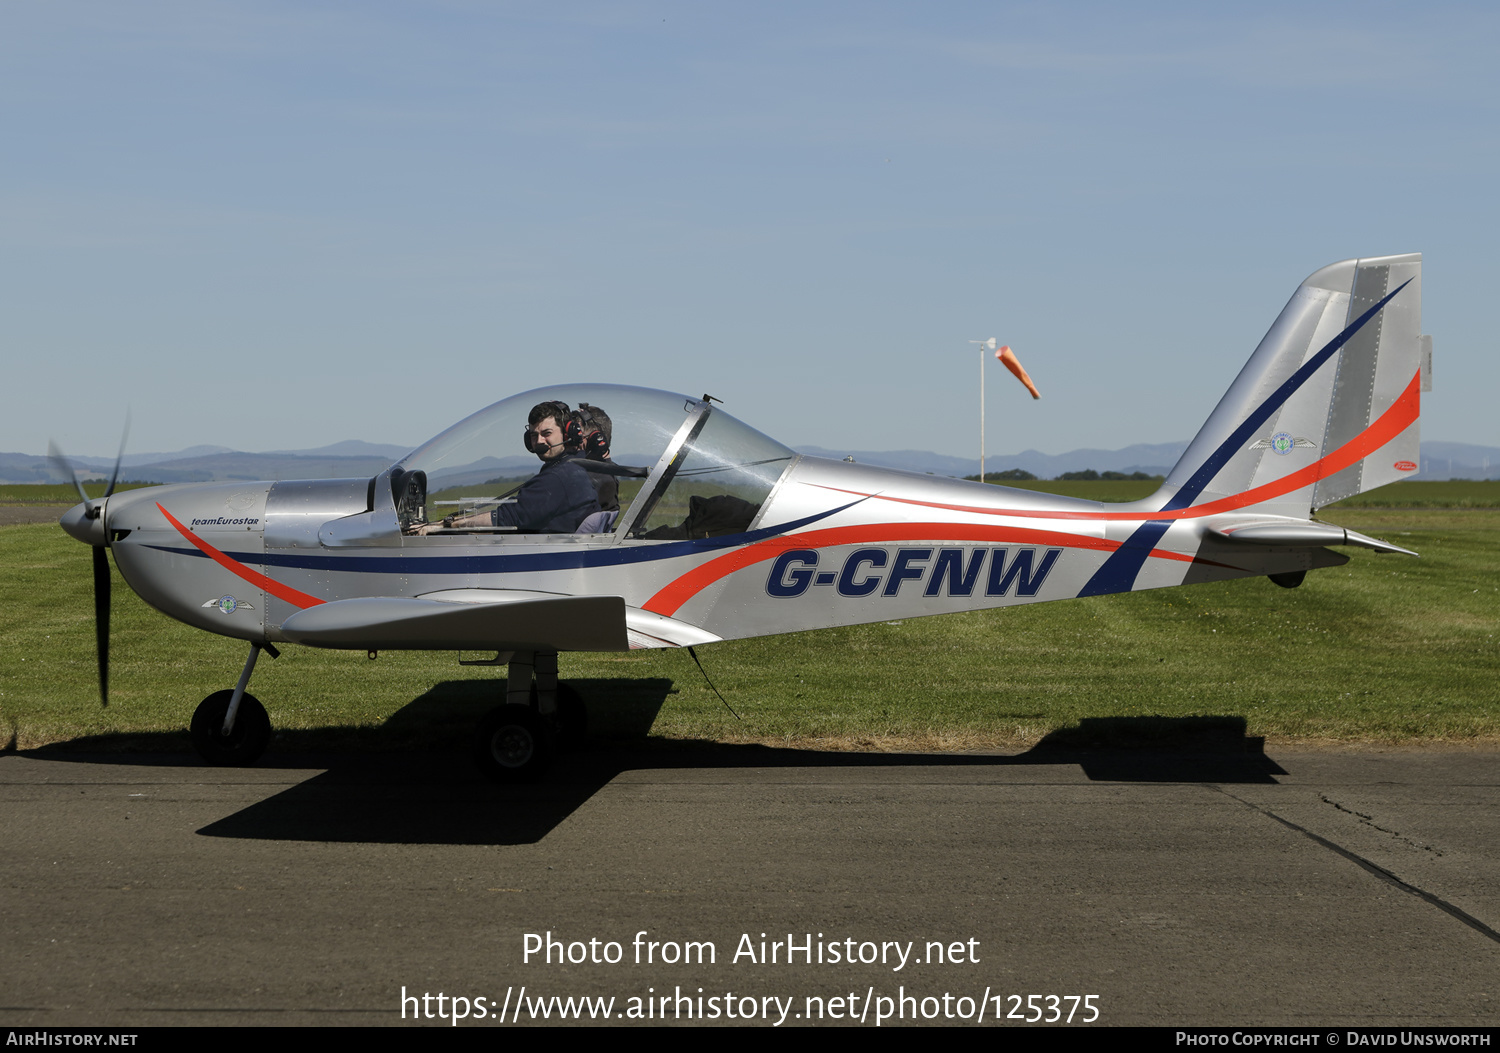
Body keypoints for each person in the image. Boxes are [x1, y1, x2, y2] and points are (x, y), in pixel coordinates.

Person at [417, 401, 599, 534]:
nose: (539, 441)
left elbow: (506, 518)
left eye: (547, 434)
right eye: (534, 436)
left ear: (567, 433)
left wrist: (446, 524)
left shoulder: (559, 477)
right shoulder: (576, 466)